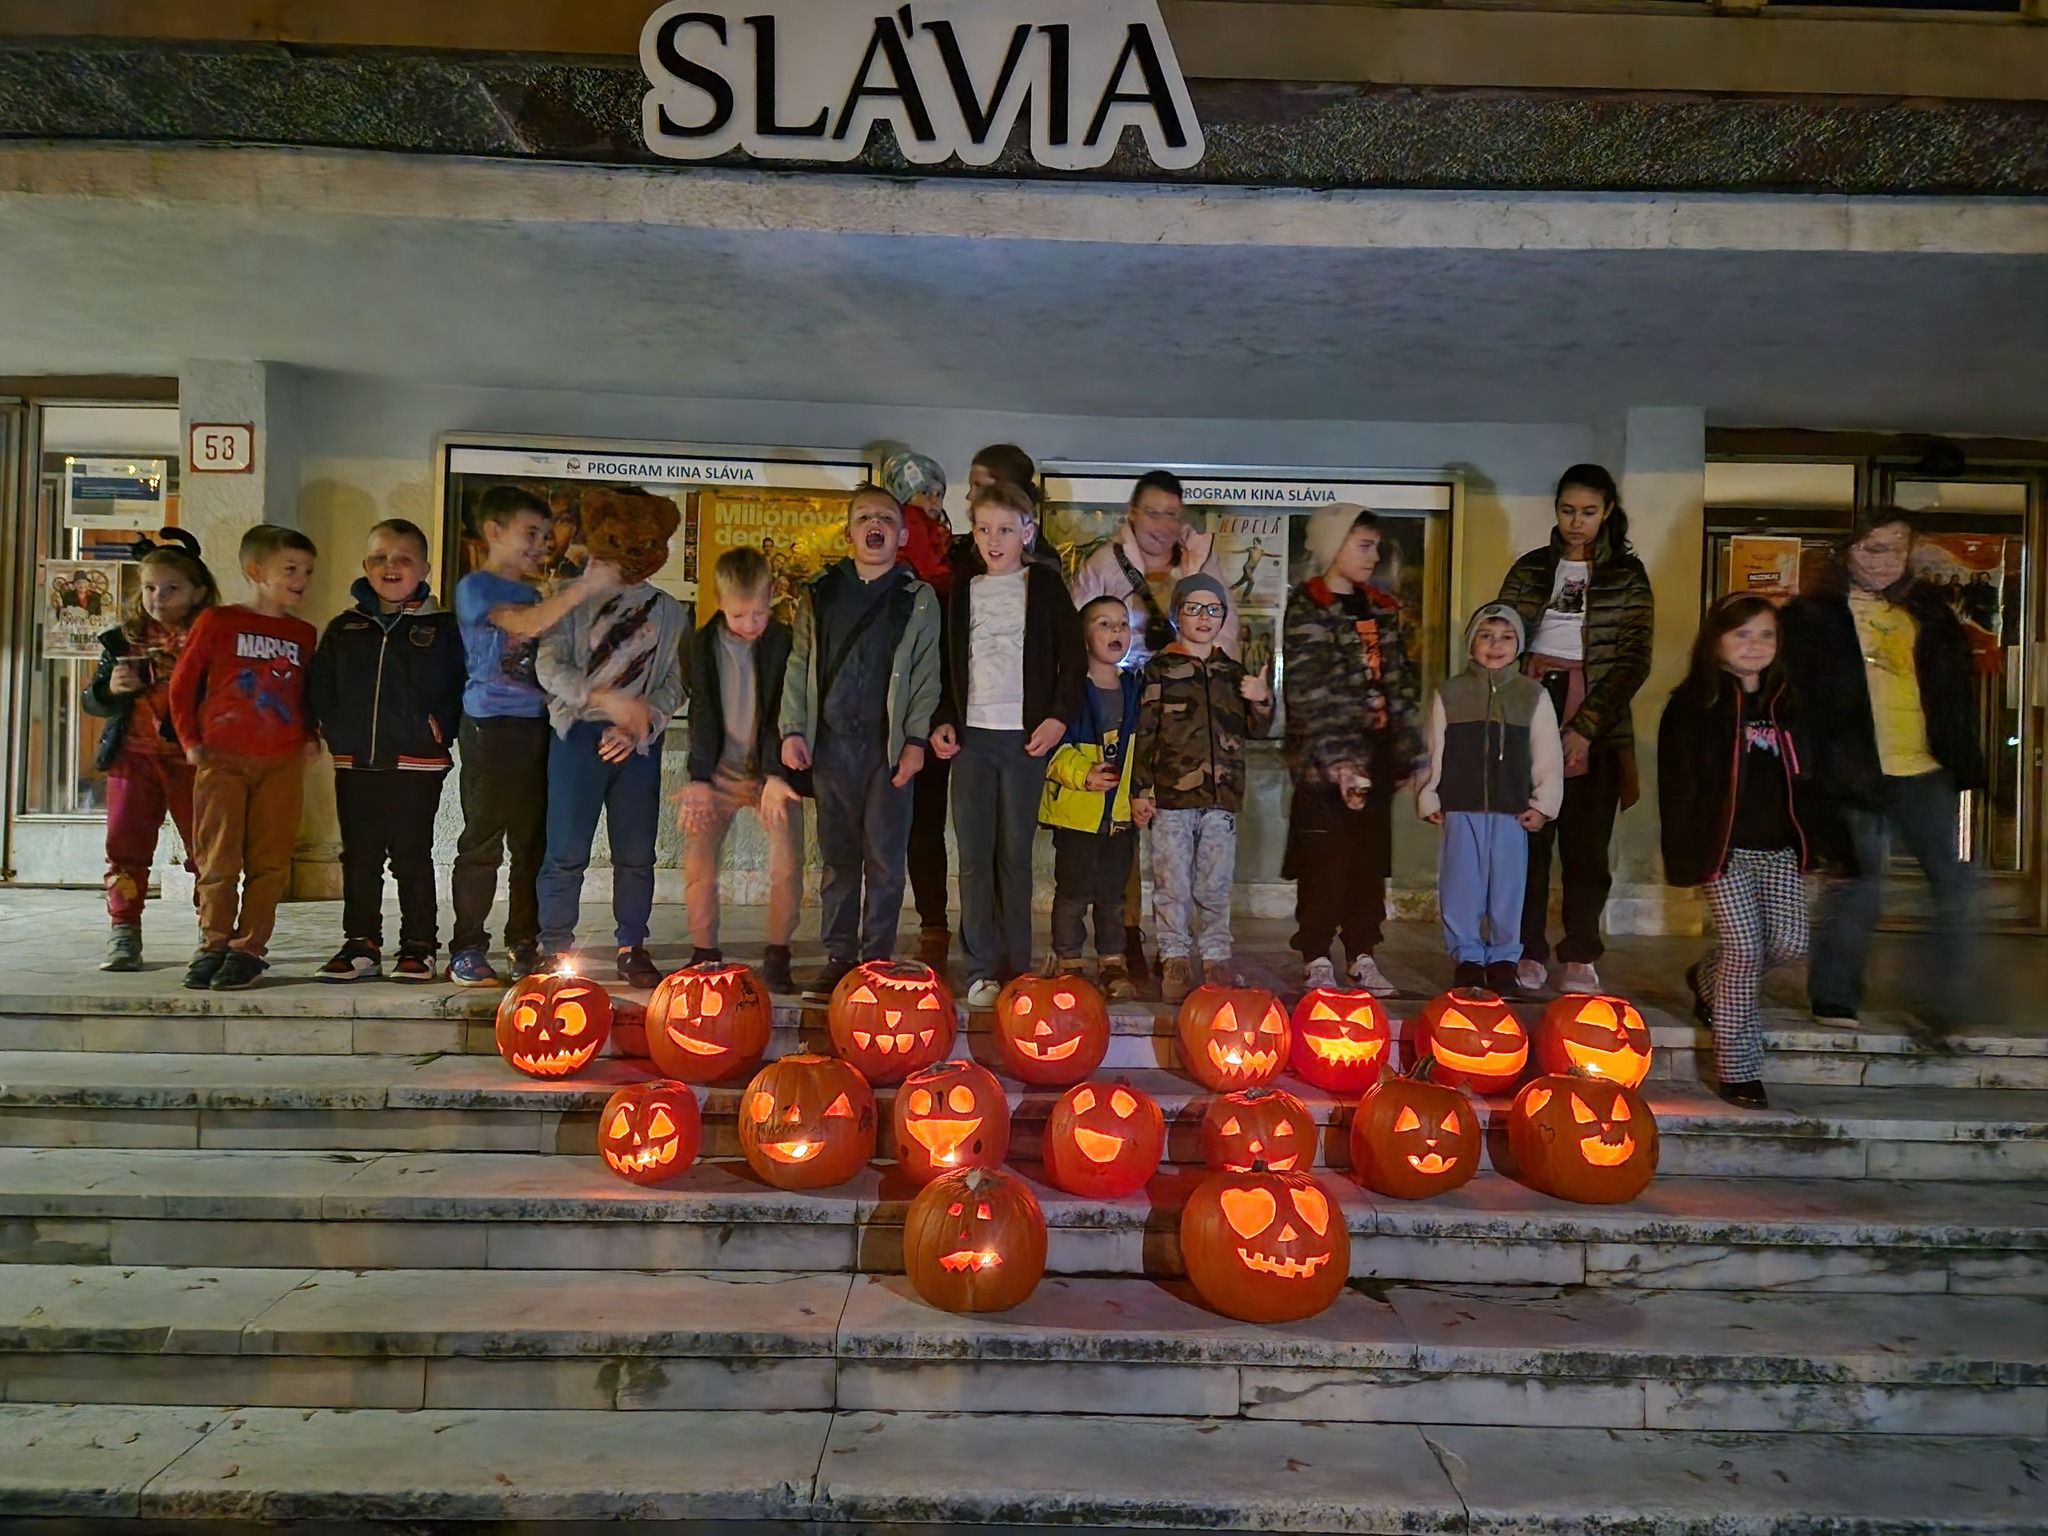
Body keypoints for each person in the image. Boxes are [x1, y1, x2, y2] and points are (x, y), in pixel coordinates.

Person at [1781, 508, 1985, 1041]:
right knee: (1857, 884)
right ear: (1846, 551)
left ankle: (1942, 1002)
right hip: (1850, 772)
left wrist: (1967, 762)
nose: (1886, 560)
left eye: (1897, 549)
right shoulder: (1812, 616)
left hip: (1926, 769)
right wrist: (1809, 775)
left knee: (1953, 883)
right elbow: (1798, 702)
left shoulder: (1930, 613)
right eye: (1873, 548)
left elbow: (1957, 694)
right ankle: (1835, 993)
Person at [1069, 469, 1240, 982]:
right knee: (1123, 828)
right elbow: (1078, 633)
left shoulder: (1201, 565)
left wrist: (1193, 571)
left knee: (1183, 847)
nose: (1162, 524)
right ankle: (1124, 936)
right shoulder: (1104, 565)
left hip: (1182, 728)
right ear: (1132, 514)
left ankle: (1182, 948)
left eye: (1172, 514)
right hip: (1119, 709)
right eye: (1152, 513)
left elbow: (1226, 643)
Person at [447, 487, 621, 986]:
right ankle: (467, 947)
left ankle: (523, 942)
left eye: (546, 535)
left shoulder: (537, 591)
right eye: (531, 533)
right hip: (490, 727)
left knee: (532, 844)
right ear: (494, 531)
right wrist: (581, 589)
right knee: (483, 842)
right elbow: (523, 625)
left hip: (539, 727)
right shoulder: (477, 587)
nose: (541, 543)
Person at [776, 486, 942, 1002]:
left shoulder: (917, 598)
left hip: (886, 750)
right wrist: (793, 729)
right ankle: (839, 958)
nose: (876, 525)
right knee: (839, 859)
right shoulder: (821, 593)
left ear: (902, 535)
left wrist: (915, 741)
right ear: (849, 532)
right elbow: (799, 662)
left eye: (886, 519)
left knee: (886, 860)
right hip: (831, 748)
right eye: (865, 517)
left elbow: (926, 677)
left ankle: (876, 959)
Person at [1496, 464, 1653, 994]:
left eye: (1588, 512)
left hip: (1598, 711)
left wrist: (1585, 726)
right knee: (1529, 839)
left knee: (1587, 846)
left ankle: (1581, 952)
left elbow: (1633, 660)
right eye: (1568, 511)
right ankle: (1526, 947)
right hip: (1532, 696)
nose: (1576, 522)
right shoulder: (1531, 569)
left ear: (1607, 512)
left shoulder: (1627, 576)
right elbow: (1500, 637)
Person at [1659, 594, 1818, 1107]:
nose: (1754, 645)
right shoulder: (1693, 706)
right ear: (1715, 641)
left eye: (1766, 634)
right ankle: (1738, 1068)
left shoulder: (1788, 703)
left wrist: (1818, 837)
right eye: (1741, 634)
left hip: (1779, 849)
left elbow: (1811, 778)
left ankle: (1707, 977)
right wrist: (1687, 853)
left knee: (1789, 944)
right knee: (1745, 950)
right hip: (1723, 851)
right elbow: (1676, 786)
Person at [930, 481, 1083, 1007]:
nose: (994, 540)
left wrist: (1058, 718)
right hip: (972, 740)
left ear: (1027, 532)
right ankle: (979, 969)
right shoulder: (962, 591)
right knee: (974, 857)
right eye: (984, 529)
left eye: (1005, 530)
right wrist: (944, 720)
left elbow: (1072, 659)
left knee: (1015, 857)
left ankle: (1016, 966)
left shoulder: (1045, 587)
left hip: (1023, 741)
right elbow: (947, 664)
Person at [533, 491, 689, 988]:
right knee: (565, 849)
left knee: (637, 852)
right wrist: (599, 698)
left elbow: (676, 682)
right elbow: (548, 666)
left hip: (638, 743)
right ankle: (554, 946)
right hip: (577, 735)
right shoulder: (572, 599)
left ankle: (632, 944)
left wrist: (640, 722)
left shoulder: (669, 611)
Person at [307, 518, 466, 983]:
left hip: (417, 762)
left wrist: (440, 728)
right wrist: (330, 728)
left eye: (403, 559)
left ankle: (419, 946)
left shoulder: (442, 628)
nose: (390, 567)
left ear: (425, 569)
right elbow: (320, 684)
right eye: (379, 558)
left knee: (410, 854)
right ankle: (361, 943)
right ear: (365, 565)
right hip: (355, 760)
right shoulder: (345, 628)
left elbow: (460, 685)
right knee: (359, 855)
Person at [167, 523, 320, 992]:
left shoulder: (302, 633)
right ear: (255, 571)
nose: (301, 579)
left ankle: (249, 947)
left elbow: (308, 692)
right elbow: (182, 684)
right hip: (222, 757)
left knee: (270, 859)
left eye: (307, 571)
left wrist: (311, 734)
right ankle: (213, 942)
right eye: (290, 569)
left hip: (281, 760)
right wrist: (190, 740)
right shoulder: (218, 622)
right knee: (218, 856)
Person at [1282, 505, 1427, 996]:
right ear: (1334, 544)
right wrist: (1339, 762)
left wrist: (1408, 750)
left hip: (1376, 758)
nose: (1373, 556)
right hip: (1325, 768)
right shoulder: (1307, 606)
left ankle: (1363, 953)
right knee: (1324, 862)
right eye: (1363, 545)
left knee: (1368, 864)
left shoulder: (1381, 609)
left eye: (1376, 546)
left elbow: (1400, 683)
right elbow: (1309, 692)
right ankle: (1317, 954)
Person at [1129, 572, 1271, 1002]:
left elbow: (1257, 730)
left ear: (1223, 617)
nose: (1204, 617)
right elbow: (1144, 733)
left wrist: (1261, 699)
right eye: (1193, 609)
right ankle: (1174, 956)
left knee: (1214, 883)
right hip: (1171, 797)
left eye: (1213, 610)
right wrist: (1140, 789)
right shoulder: (1158, 670)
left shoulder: (1233, 672)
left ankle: (1215, 957)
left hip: (1221, 798)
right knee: (1172, 882)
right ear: (1177, 615)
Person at [83, 545, 217, 972]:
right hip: (133, 757)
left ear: (198, 591)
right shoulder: (124, 638)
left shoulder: (212, 637)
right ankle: (124, 929)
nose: (158, 598)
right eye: (150, 588)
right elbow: (92, 700)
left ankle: (212, 930)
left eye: (171, 588)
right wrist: (110, 689)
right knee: (125, 846)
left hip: (192, 759)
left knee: (206, 849)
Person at [1417, 604, 1563, 993]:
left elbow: (1547, 753)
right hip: (1461, 806)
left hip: (1512, 811)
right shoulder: (1451, 692)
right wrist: (1429, 794)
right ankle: (1467, 956)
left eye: (1506, 637)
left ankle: (1503, 959)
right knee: (1461, 885)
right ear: (1471, 643)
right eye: (1486, 636)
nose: (1495, 645)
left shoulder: (1533, 696)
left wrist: (1543, 803)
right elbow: (1432, 748)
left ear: (1519, 645)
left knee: (1508, 889)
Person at [680, 546, 802, 994]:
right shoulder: (700, 645)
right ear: (718, 603)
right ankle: (704, 951)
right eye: (738, 615)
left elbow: (783, 710)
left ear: (771, 598)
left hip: (770, 772)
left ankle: (778, 952)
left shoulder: (784, 642)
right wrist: (698, 778)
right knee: (699, 862)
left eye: (758, 614)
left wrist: (776, 773)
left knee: (787, 865)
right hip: (718, 771)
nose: (750, 624)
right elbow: (701, 711)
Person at [1039, 595, 1144, 999]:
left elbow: (1147, 751)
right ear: (1083, 636)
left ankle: (1113, 962)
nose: (1116, 630)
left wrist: (1143, 794)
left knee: (1113, 895)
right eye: (1104, 623)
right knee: (1073, 893)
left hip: (1120, 816)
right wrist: (1083, 774)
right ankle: (1070, 962)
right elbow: (1051, 749)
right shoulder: (1069, 691)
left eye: (1123, 623)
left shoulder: (1135, 688)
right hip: (1076, 815)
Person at [882, 449, 960, 969]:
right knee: (919, 826)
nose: (931, 502)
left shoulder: (951, 555)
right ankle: (929, 925)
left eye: (936, 493)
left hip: (932, 714)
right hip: (919, 714)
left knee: (919, 826)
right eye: (922, 494)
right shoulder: (917, 564)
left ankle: (928, 926)